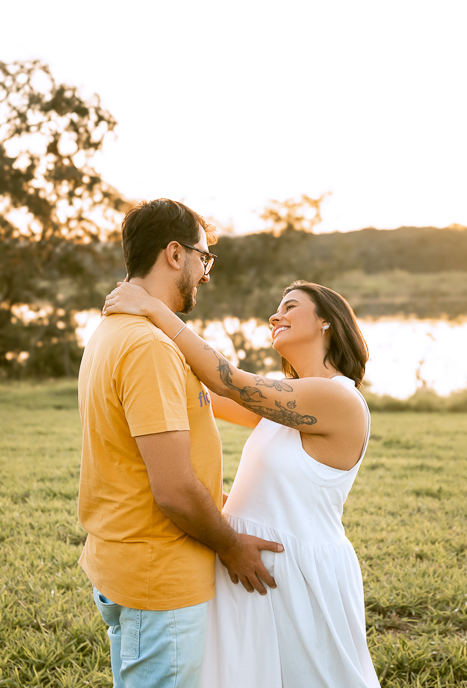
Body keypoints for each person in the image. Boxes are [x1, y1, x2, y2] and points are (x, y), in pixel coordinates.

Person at [102, 277, 382, 688]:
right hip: (253, 567)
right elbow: (197, 395)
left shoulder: (336, 399)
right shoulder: (288, 400)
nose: (276, 315)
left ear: (327, 322)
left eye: (290, 306)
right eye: (278, 307)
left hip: (298, 571)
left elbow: (225, 380)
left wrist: (154, 309)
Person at [77, 199, 282, 688]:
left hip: (125, 563)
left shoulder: (117, 330)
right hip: (159, 579)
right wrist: (232, 547)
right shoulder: (148, 347)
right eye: (203, 257)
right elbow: (172, 488)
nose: (206, 273)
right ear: (174, 254)